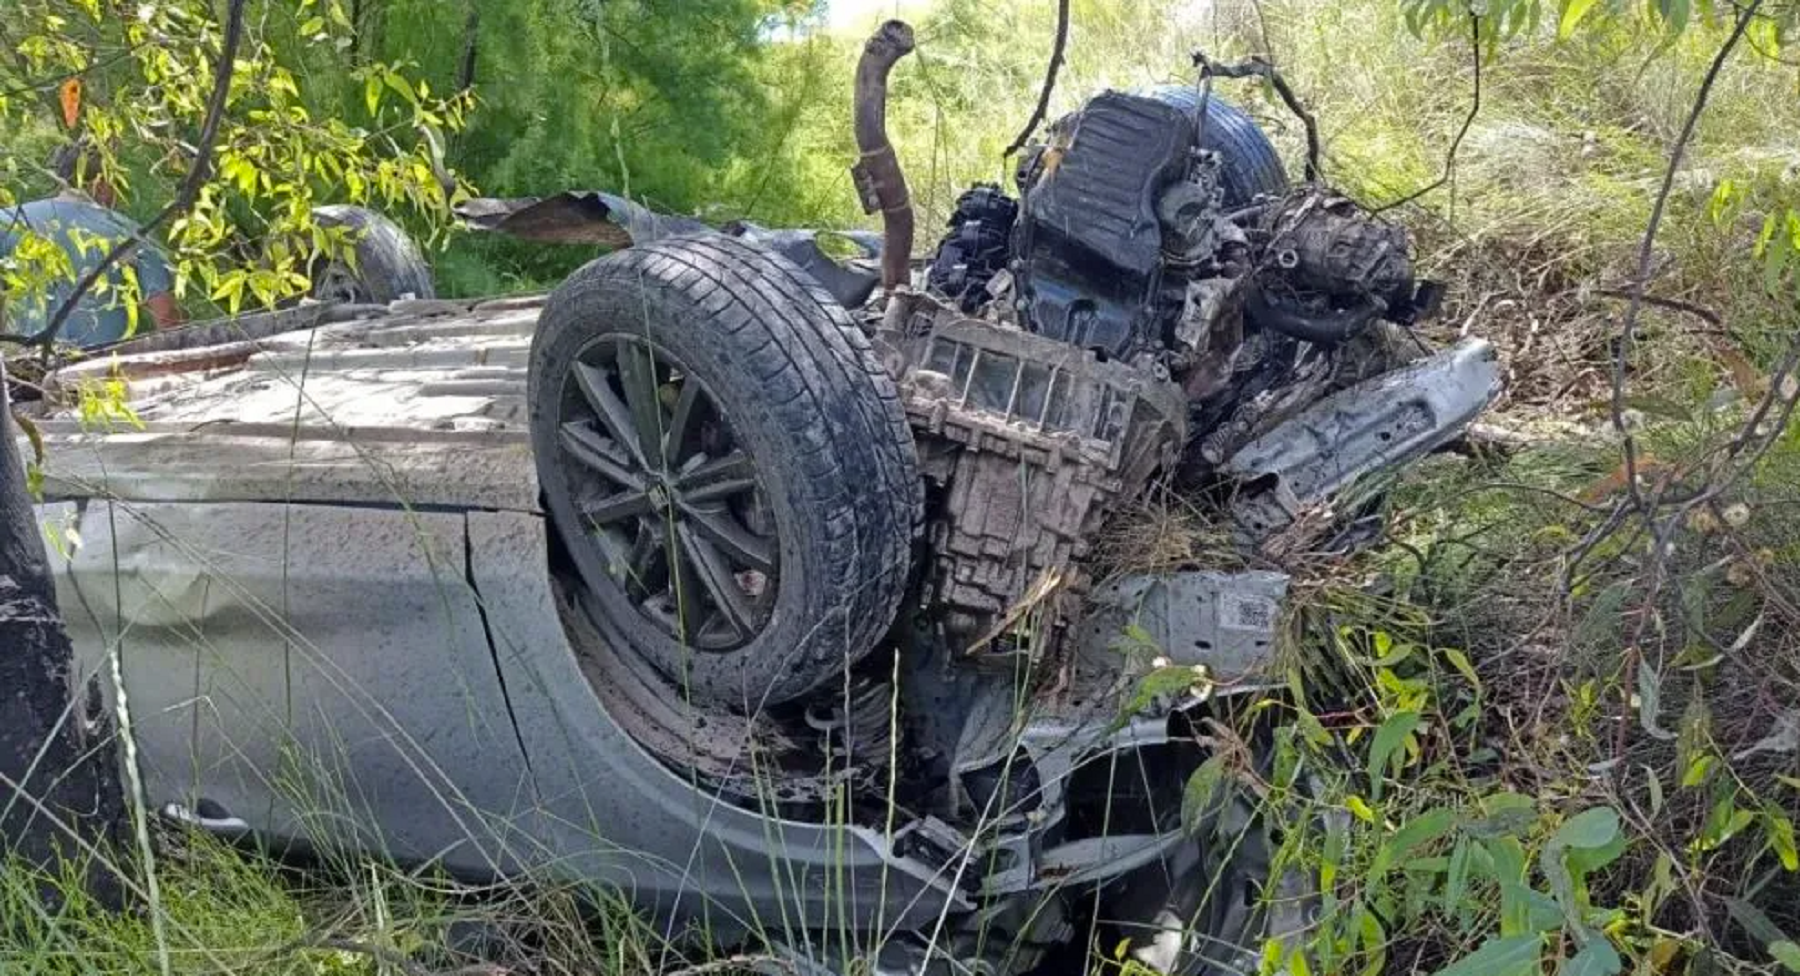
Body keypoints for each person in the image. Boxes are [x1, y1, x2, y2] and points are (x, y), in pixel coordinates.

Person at [0, 143, 184, 348]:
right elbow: (166, 315)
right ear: (102, 182)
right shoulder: (130, 232)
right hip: (102, 369)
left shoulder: (7, 221)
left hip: (25, 367)